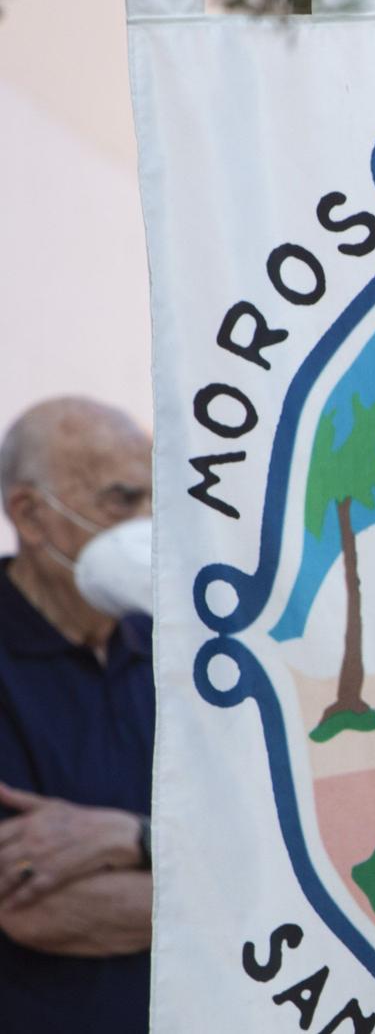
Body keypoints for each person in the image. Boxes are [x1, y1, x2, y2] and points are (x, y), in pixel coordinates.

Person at [0, 397, 157, 1032]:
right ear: (32, 516)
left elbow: (267, 847)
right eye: (122, 500)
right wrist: (213, 884)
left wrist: (136, 838)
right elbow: (34, 908)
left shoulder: (181, 644)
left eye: (156, 499)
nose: (148, 523)